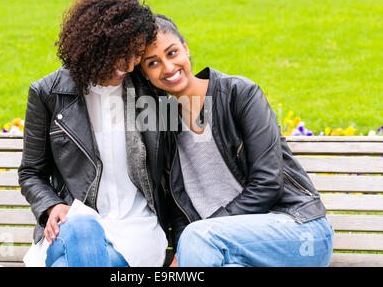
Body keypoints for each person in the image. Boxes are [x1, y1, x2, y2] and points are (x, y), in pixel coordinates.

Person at [138, 14, 334, 267]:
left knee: (197, 236)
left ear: (185, 49)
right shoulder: (163, 125)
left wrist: (200, 234)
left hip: (297, 231)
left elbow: (268, 184)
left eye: (172, 53)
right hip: (228, 250)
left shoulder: (239, 94)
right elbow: (177, 205)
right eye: (153, 63)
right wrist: (180, 248)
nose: (167, 67)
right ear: (145, 74)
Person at [18, 0, 170, 267]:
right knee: (83, 227)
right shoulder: (49, 93)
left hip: (136, 229)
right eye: (119, 53)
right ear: (93, 47)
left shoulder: (148, 92)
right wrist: (53, 205)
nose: (127, 64)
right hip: (70, 224)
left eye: (135, 53)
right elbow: (31, 172)